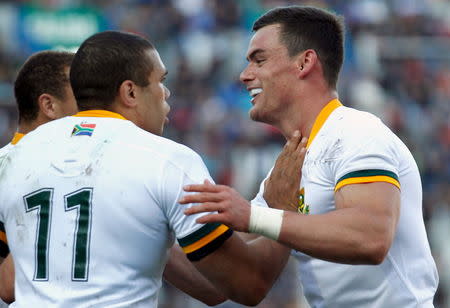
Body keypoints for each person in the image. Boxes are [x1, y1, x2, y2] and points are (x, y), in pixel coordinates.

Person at [0, 30, 291, 307]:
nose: (165, 94)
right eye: (160, 81)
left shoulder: (14, 156)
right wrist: (282, 207)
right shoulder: (169, 160)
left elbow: (6, 285)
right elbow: (248, 284)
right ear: (130, 92)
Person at [180, 6, 439, 307]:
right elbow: (242, 281)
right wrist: (150, 241)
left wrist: (253, 216)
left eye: (259, 60)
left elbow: (371, 238)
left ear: (304, 63)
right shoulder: (287, 171)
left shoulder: (355, 132)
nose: (244, 75)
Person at [0, 50, 78, 304]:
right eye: (82, 96)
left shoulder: (82, 165)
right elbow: (7, 285)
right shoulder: (6, 169)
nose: (93, 108)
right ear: (49, 106)